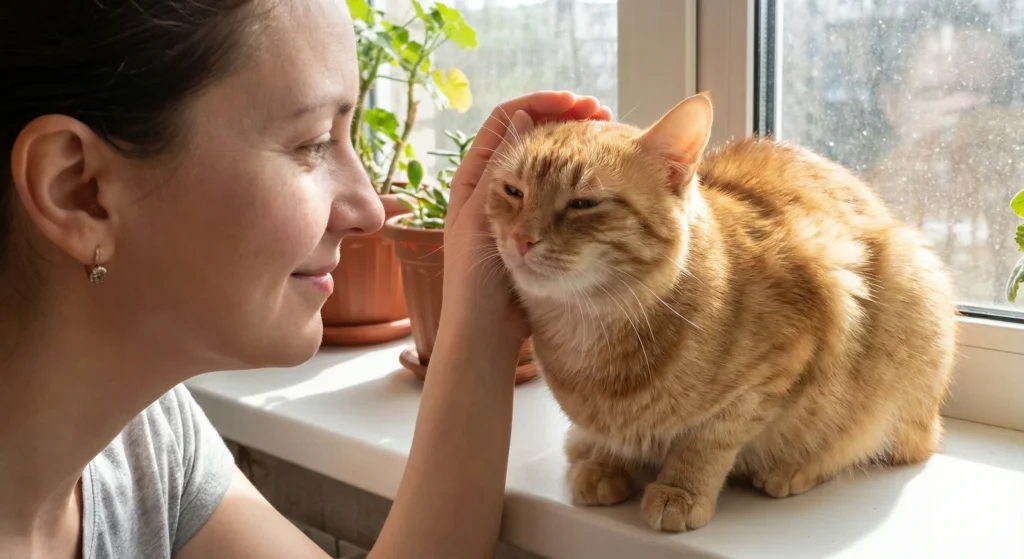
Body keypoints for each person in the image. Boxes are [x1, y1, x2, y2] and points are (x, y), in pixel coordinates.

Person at [0, 1, 611, 558]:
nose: (371, 210)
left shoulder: (148, 446)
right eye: (314, 143)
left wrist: (481, 308)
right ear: (79, 190)